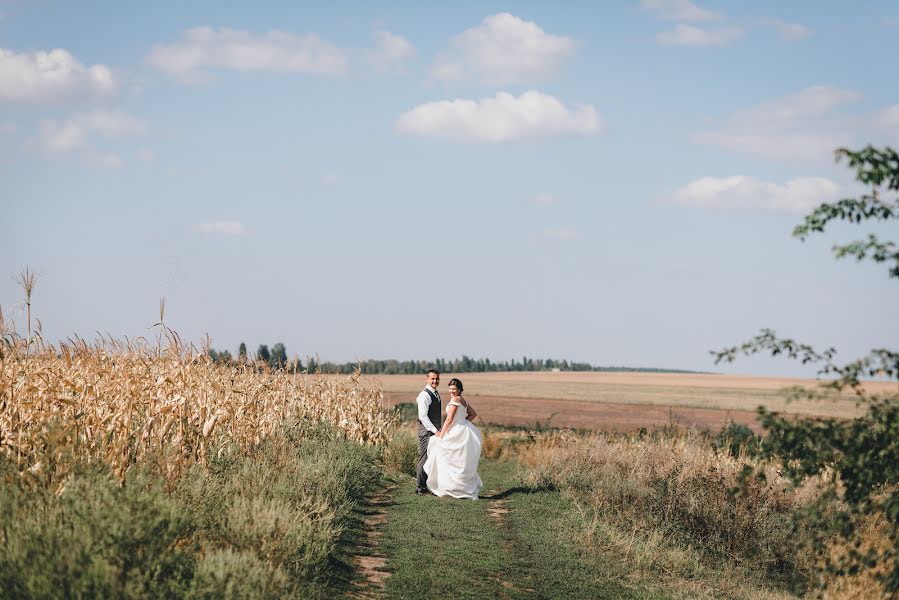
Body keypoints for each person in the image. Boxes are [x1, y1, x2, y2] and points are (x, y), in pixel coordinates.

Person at [423, 377, 483, 499]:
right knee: (458, 460)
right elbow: (473, 414)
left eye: (454, 389)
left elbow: (449, 419)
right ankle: (459, 488)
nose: (451, 391)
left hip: (455, 431)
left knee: (447, 456)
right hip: (462, 430)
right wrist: (463, 422)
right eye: (450, 389)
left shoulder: (455, 400)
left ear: (460, 390)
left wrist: (441, 434)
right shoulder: (463, 401)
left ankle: (449, 487)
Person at [416, 368, 442, 495]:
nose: (435, 381)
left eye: (437, 378)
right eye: (432, 378)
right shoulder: (424, 395)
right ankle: (420, 488)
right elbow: (423, 416)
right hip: (426, 432)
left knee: (432, 459)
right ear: (427, 379)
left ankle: (428, 486)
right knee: (424, 458)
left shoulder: (436, 393)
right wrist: (435, 430)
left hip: (434, 431)